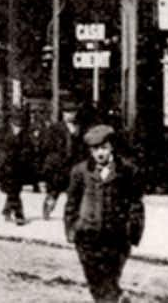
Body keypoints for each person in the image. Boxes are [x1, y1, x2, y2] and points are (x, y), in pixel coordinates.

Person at [65, 124, 145, 303]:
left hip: (115, 238)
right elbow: (72, 203)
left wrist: (133, 231)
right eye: (95, 149)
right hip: (87, 236)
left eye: (104, 148)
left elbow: (135, 203)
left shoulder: (126, 171)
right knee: (95, 282)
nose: (100, 153)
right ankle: (119, 298)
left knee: (109, 280)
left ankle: (116, 297)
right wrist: (72, 229)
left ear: (112, 147)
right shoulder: (80, 171)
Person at [38, 106, 81, 221]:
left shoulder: (78, 128)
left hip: (72, 164)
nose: (70, 115)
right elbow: (47, 146)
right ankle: (47, 210)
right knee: (54, 191)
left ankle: (71, 214)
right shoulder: (55, 128)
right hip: (58, 165)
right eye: (67, 113)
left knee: (72, 191)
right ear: (63, 114)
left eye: (72, 113)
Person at [0, 110, 34, 225]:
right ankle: (15, 213)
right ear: (11, 120)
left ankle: (15, 213)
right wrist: (2, 156)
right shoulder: (2, 132)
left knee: (14, 190)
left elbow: (30, 148)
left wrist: (25, 157)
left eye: (20, 120)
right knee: (12, 191)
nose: (18, 122)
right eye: (16, 119)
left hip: (20, 167)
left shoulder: (26, 133)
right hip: (6, 167)